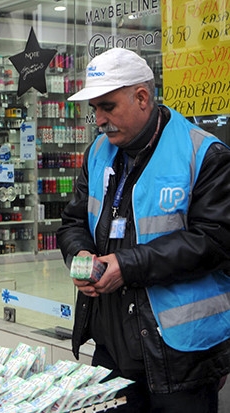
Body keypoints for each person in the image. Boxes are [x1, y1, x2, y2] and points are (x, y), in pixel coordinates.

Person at [57, 47, 230, 412]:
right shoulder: (97, 153)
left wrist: (127, 266)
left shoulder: (203, 153)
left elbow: (214, 241)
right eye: (95, 110)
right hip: (111, 348)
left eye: (108, 107)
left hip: (181, 354)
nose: (100, 120)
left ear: (141, 97)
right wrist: (81, 255)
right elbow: (73, 221)